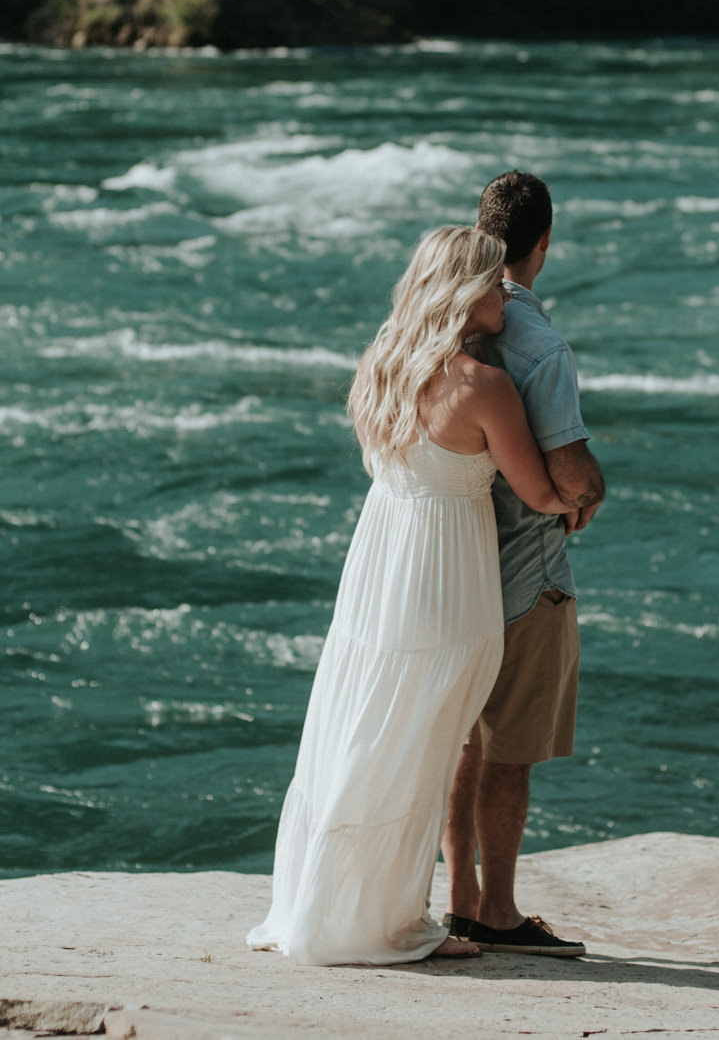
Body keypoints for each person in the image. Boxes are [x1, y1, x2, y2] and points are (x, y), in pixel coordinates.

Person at [247, 225, 577, 966]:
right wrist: (578, 497)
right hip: (446, 575)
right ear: (463, 293)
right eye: (494, 284)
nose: (506, 295)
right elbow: (539, 491)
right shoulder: (483, 386)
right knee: (421, 745)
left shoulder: (384, 361)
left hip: (381, 562)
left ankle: (331, 903)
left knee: (364, 726)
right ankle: (383, 923)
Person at [444, 171, 606, 957]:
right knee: (509, 747)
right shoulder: (538, 344)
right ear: (545, 243)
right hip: (526, 574)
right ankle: (499, 913)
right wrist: (592, 490)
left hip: (450, 568)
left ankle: (460, 900)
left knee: (464, 740)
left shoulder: (434, 327)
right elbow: (570, 479)